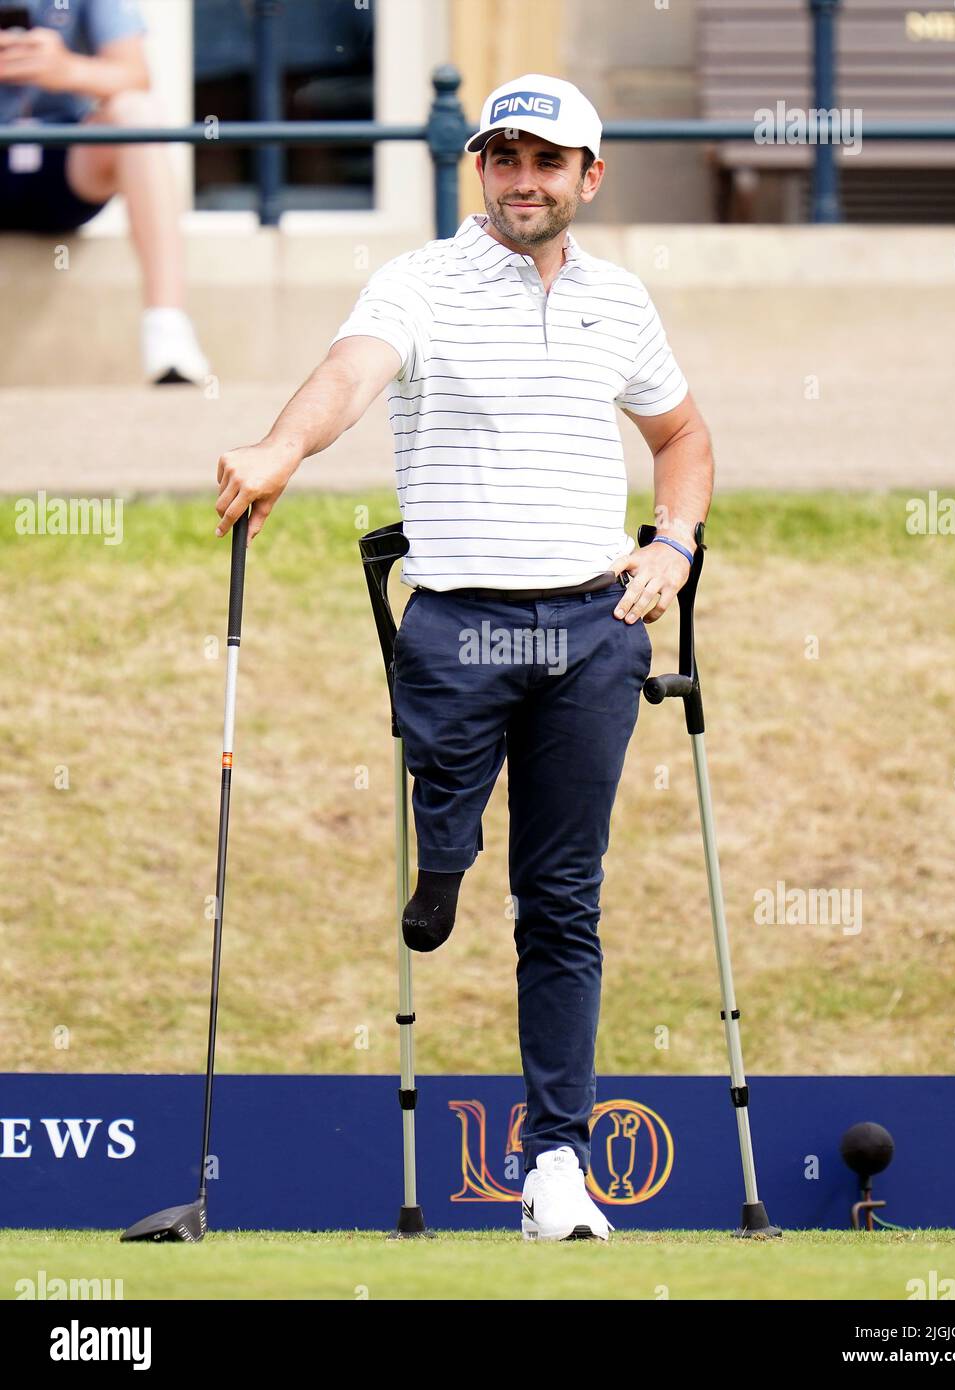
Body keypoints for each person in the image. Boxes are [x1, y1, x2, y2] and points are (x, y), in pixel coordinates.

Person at [213, 73, 714, 1242]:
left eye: (546, 162)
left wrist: (673, 542)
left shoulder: (620, 301)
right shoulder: (420, 280)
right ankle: (444, 853)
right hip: (460, 622)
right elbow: (352, 370)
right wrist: (284, 445)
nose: (521, 180)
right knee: (454, 811)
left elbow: (682, 433)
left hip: (595, 627)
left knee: (562, 899)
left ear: (590, 176)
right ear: (476, 169)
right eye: (501, 158)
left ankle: (555, 1168)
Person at [0, 0, 210, 383]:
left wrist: (65, 69)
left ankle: (167, 327)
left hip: (63, 166)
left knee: (137, 111)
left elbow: (135, 76)